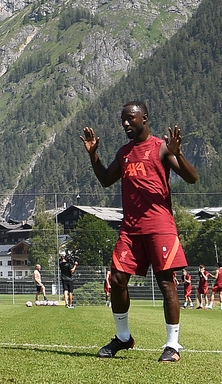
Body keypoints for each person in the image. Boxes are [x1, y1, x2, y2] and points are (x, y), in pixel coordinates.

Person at [81, 100, 198, 362]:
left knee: (166, 283)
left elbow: (192, 178)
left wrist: (178, 154)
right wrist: (93, 155)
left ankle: (172, 345)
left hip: (160, 228)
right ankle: (123, 338)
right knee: (117, 280)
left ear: (144, 118)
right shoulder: (124, 153)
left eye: (130, 119)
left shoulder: (161, 148)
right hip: (130, 230)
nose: (125, 124)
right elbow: (105, 180)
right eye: (122, 119)